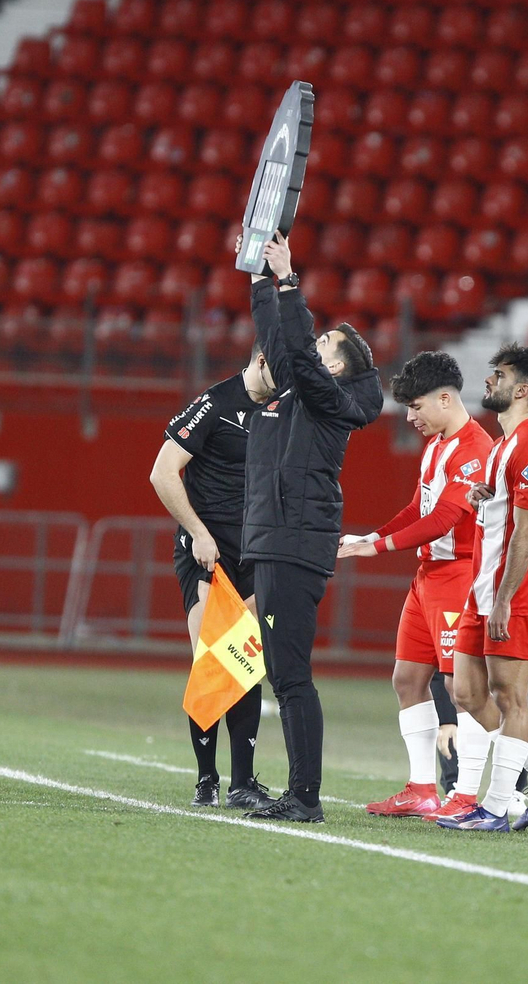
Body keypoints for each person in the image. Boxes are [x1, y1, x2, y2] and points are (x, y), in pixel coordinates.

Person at [240, 231, 383, 823]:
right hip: (278, 538)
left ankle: (305, 796)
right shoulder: (304, 387)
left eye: (325, 343)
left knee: (292, 675)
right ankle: (300, 791)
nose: (313, 344)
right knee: (283, 673)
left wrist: (290, 281)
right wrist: (259, 282)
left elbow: (295, 350)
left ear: (337, 367)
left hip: (296, 541)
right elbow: (280, 342)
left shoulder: (328, 398)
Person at [337, 350, 493, 819]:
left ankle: (468, 793)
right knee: (407, 679)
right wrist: (375, 535)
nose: (409, 417)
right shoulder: (437, 446)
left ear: (446, 398)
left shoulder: (475, 451)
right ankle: (422, 788)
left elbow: (445, 519)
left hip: (458, 576)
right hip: (427, 578)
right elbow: (419, 509)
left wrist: (379, 549)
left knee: (462, 688)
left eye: (416, 407)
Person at [438, 344, 528, 833]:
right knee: (467, 693)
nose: (487, 381)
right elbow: (508, 517)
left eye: (497, 375)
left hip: (511, 591)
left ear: (521, 390)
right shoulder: (506, 446)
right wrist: (487, 500)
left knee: (511, 698)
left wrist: (504, 598)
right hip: (486, 585)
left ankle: (495, 807)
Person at [149, 346, 279, 812]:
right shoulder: (215, 404)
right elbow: (162, 472)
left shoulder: (284, 405)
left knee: (245, 665)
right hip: (207, 554)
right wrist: (198, 533)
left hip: (256, 554)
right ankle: (207, 777)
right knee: (212, 661)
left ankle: (243, 783)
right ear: (261, 359)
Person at [429, 529, 528, 799]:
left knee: (523, 707)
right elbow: (442, 653)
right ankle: (457, 788)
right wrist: (445, 718)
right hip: (474, 608)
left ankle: (512, 791)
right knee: (462, 694)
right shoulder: (470, 550)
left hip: (511, 616)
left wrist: (517, 613)